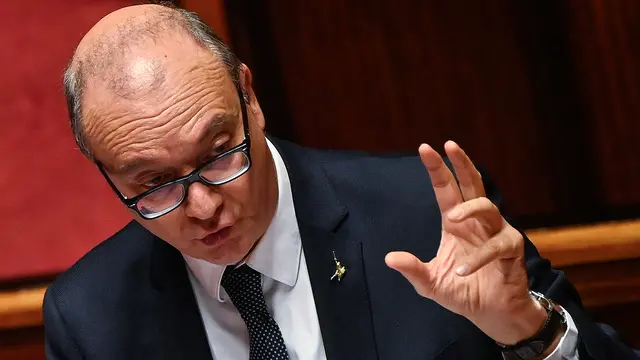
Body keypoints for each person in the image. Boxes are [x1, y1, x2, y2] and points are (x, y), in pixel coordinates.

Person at [43, 3, 639, 360]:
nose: (201, 205)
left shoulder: (422, 214)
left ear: (249, 97)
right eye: (152, 184)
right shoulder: (91, 318)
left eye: (220, 152)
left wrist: (527, 333)